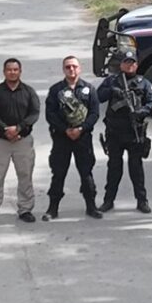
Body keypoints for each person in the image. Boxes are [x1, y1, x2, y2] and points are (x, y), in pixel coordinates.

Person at [0, 57, 42, 223]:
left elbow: (34, 113)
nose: (12, 72)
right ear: (4, 72)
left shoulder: (29, 92)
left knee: (25, 175)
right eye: (9, 69)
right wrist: (5, 129)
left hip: (22, 140)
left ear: (20, 71)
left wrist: (19, 128)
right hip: (0, 141)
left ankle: (25, 209)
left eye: (15, 69)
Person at [43, 55, 103, 220]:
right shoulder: (56, 90)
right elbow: (50, 114)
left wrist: (81, 128)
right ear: (64, 69)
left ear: (80, 68)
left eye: (74, 66)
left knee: (86, 173)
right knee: (59, 173)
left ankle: (91, 206)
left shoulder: (89, 89)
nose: (71, 69)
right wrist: (65, 130)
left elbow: (94, 113)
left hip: (83, 138)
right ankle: (52, 208)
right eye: (68, 67)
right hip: (62, 138)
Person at [96, 51, 152, 213]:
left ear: (136, 64)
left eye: (133, 63)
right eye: (126, 62)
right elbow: (98, 97)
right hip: (115, 132)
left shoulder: (143, 83)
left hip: (134, 131)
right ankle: (108, 200)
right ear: (121, 65)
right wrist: (112, 90)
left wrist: (141, 111)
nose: (130, 65)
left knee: (136, 168)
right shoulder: (112, 81)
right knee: (114, 167)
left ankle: (142, 201)